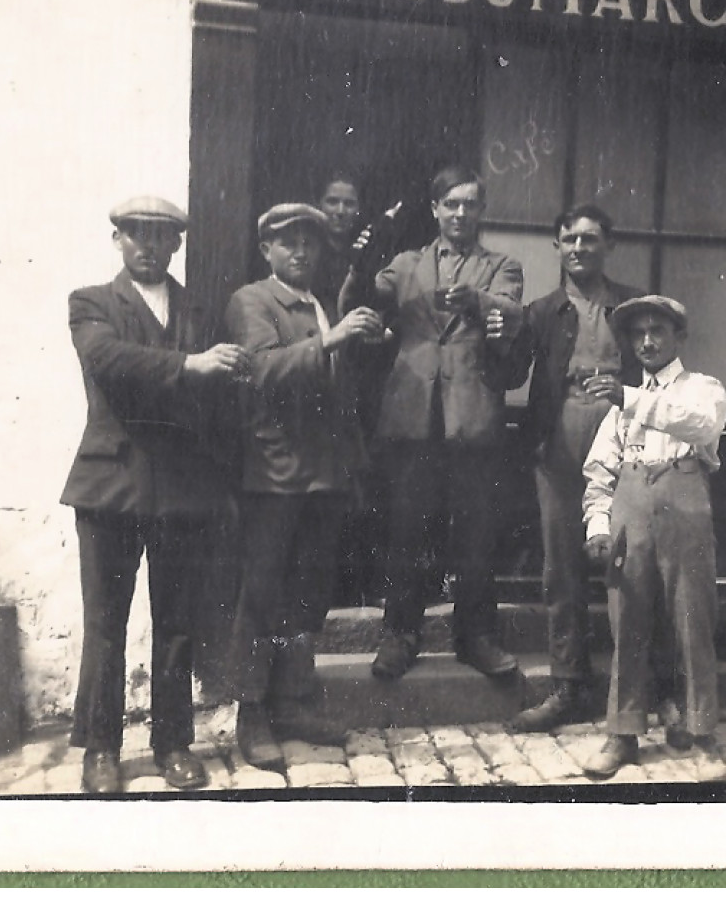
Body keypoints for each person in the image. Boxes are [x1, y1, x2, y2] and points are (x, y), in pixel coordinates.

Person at [60, 196, 251, 794]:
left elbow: (219, 390)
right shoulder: (92, 302)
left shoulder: (197, 308)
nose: (148, 245)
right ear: (116, 238)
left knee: (175, 623)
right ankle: (100, 749)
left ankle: (172, 744)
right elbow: (107, 361)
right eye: (136, 234)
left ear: (177, 245)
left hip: (181, 489)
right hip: (110, 482)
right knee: (106, 622)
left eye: (161, 236)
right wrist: (190, 368)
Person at [341, 164, 524, 680]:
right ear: (435, 210)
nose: (461, 213)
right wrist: (361, 260)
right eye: (452, 204)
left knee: (475, 534)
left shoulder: (501, 264)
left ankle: (477, 638)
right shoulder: (406, 264)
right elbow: (363, 304)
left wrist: (478, 300)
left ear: (481, 211)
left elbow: (511, 312)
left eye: (471, 204)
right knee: (406, 532)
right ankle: (400, 636)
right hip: (411, 419)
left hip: (472, 417)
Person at [222, 203, 385, 771]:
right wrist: (334, 339)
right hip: (274, 474)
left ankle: (292, 703)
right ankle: (251, 712)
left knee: (307, 596)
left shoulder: (323, 304)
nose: (301, 252)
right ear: (267, 249)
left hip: (324, 476)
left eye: (310, 242)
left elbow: (338, 390)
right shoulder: (254, 300)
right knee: (261, 596)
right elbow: (261, 369)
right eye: (288, 242)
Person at [577, 295, 726, 779]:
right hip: (632, 508)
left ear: (678, 337)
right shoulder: (620, 406)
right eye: (638, 333)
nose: (646, 341)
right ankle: (621, 735)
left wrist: (631, 398)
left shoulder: (701, 389)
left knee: (692, 622)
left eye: (657, 331)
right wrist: (599, 526)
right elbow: (599, 471)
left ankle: (702, 736)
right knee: (627, 625)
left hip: (685, 506)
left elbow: (702, 425)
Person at [506, 205, 643, 732]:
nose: (579, 249)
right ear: (557, 247)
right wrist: (501, 330)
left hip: (625, 441)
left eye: (589, 239)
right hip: (559, 440)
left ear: (609, 244)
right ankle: (567, 687)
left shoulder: (633, 305)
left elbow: (661, 373)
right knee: (561, 567)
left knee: (628, 563)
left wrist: (626, 395)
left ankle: (634, 687)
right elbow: (510, 371)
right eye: (569, 240)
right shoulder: (541, 311)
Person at [313, 173, 364, 314]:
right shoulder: (308, 253)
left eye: (349, 204)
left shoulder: (363, 254)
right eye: (332, 202)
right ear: (319, 205)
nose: (340, 211)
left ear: (358, 209)